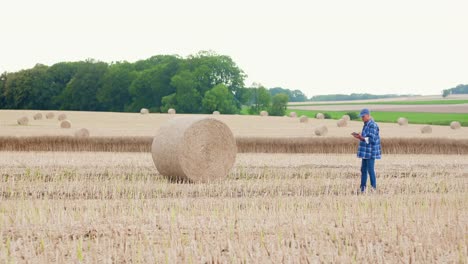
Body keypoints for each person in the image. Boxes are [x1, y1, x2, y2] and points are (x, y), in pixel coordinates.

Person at [352, 108, 381, 193]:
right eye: (361, 117)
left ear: (368, 115)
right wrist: (360, 136)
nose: (362, 118)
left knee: (370, 170)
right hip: (365, 152)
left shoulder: (372, 125)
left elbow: (371, 139)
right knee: (363, 170)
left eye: (363, 116)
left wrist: (361, 138)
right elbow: (367, 136)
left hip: (370, 152)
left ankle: (373, 188)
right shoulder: (366, 124)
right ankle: (362, 189)